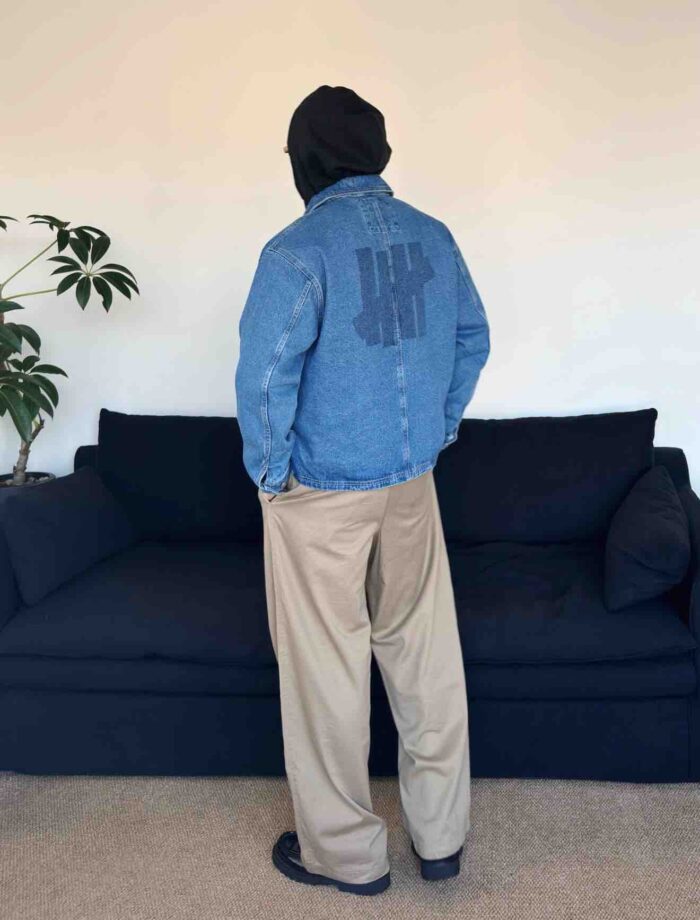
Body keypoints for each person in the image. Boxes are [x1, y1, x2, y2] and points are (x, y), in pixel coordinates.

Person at [235, 84, 490, 897]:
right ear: (377, 152)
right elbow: (473, 336)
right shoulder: (434, 236)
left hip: (322, 493)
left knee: (326, 670)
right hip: (411, 483)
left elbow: (265, 375)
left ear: (304, 162)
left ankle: (347, 858)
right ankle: (440, 840)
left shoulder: (295, 252)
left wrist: (271, 474)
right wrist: (436, 430)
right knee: (425, 656)